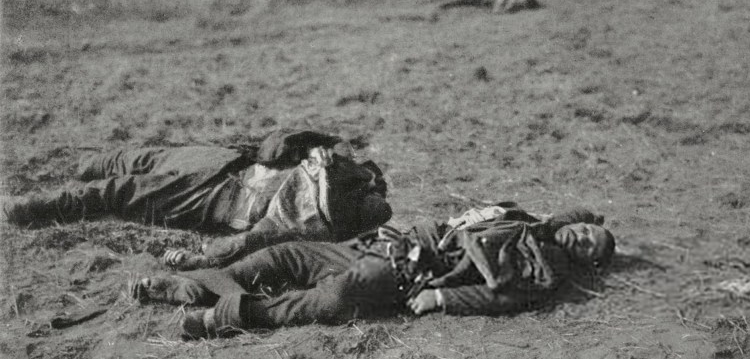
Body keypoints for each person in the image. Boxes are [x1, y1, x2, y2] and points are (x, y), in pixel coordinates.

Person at [131, 203, 615, 339]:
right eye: (588, 230)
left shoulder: (546, 272)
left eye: (592, 245)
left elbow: (503, 299)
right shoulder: (525, 221)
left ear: (586, 260)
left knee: (332, 298)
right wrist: (580, 217)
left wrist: (442, 299)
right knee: (289, 255)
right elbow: (575, 214)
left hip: (411, 276)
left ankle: (220, 314)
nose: (584, 237)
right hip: (394, 243)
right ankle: (194, 286)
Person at [4, 129, 392, 268]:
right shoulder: (337, 162)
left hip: (216, 198)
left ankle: (31, 209)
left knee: (122, 192)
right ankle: (87, 163)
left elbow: (255, 238)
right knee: (144, 158)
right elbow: (285, 143)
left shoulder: (326, 214)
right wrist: (319, 151)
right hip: (224, 162)